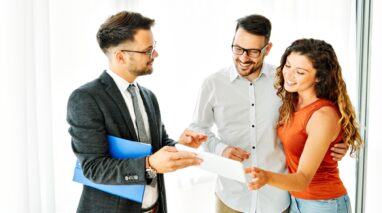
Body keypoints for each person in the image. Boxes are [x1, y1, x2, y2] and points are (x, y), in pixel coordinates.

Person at [189, 14, 348, 213]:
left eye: (253, 51)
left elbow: (325, 110)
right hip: (232, 196)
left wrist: (340, 142)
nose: (243, 58)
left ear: (268, 49)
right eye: (238, 49)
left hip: (276, 199)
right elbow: (198, 128)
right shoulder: (212, 84)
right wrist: (221, 149)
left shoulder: (285, 82)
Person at [67, 11, 207, 213]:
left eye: (154, 48)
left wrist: (179, 144)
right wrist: (149, 165)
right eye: (148, 51)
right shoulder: (86, 99)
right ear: (121, 56)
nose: (155, 55)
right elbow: (94, 168)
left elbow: (156, 145)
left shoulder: (148, 96)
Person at [245, 38, 363, 213]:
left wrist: (266, 177)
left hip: (324, 204)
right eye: (288, 65)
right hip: (295, 200)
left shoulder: (322, 116)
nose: (289, 75)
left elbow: (302, 180)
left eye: (300, 72)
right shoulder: (292, 100)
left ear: (319, 77)